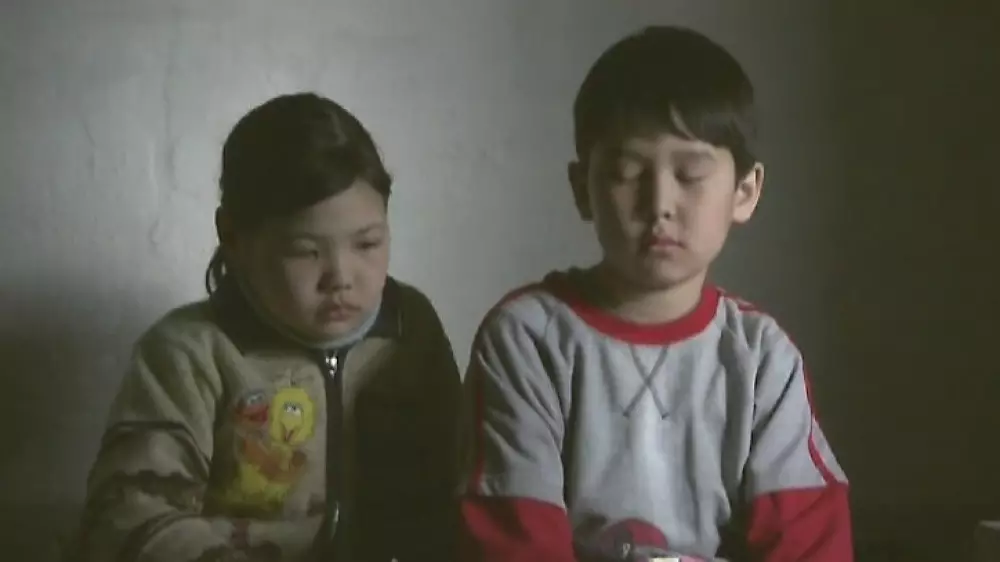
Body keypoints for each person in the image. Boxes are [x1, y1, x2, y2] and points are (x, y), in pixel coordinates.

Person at [456, 26, 853, 562]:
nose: (659, 202)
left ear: (745, 192)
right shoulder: (529, 339)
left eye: (690, 175)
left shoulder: (762, 358)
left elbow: (807, 540)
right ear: (582, 188)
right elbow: (513, 539)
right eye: (626, 172)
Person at [70, 92, 461, 562]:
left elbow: (459, 480)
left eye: (367, 244)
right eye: (305, 251)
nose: (340, 277)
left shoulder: (408, 327)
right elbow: (128, 518)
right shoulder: (190, 353)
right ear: (233, 238)